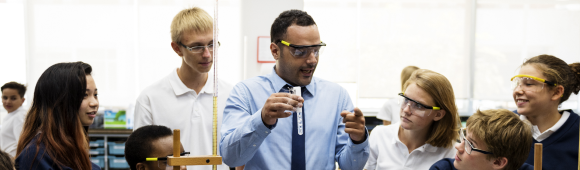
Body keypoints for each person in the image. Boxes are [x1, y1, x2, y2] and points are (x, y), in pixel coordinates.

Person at [220, 9, 369, 170]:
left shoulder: (337, 97)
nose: (312, 60)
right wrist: (261, 120)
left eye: (316, 50)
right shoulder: (245, 93)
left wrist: (358, 140)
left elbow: (350, 167)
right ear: (275, 51)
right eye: (300, 51)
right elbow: (231, 158)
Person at [133, 7, 232, 170]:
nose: (207, 54)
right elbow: (142, 158)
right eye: (197, 47)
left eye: (212, 44)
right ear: (177, 48)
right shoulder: (150, 99)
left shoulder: (230, 94)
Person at [364, 69, 460, 170]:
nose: (406, 110)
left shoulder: (452, 153)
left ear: (438, 114)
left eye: (418, 105)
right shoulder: (380, 135)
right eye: (405, 99)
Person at [14, 62, 100, 170]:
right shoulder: (35, 156)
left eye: (95, 95)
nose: (94, 103)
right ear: (59, 101)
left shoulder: (70, 147)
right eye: (84, 95)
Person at [510, 54, 580, 169]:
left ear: (556, 92)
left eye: (528, 84)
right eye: (518, 84)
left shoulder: (577, 133)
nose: (517, 90)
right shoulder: (499, 125)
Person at [430, 109, 534, 170]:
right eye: (464, 138)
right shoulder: (443, 168)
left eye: (470, 145)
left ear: (498, 162)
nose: (458, 146)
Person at [1, 82, 27, 157]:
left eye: (13, 98)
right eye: (5, 97)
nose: (8, 101)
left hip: (14, 161)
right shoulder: (12, 115)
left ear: (22, 100)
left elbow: (23, 145)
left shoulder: (19, 117)